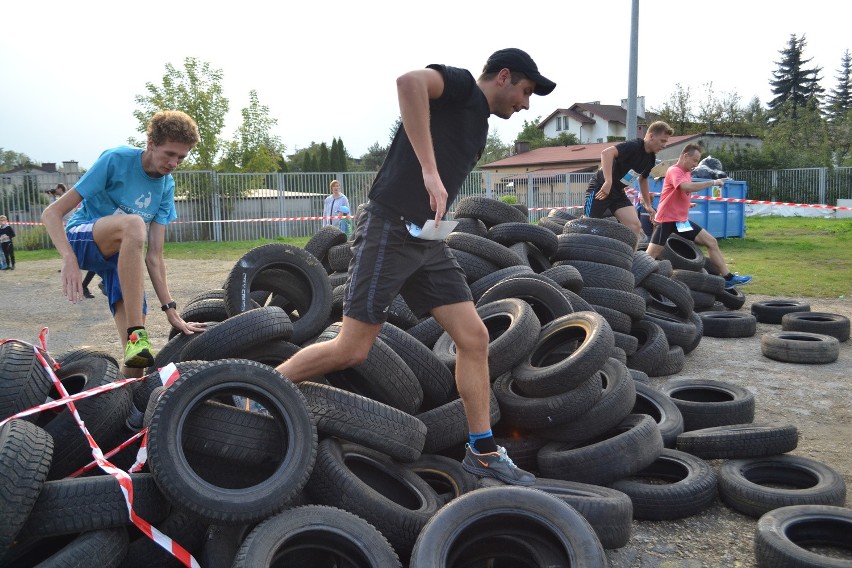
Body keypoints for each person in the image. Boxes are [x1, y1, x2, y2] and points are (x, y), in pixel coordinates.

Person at [275, 48, 555, 486]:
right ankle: (257, 388)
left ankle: (481, 451)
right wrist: (428, 169)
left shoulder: (477, 122)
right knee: (352, 349)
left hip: (427, 240)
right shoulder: (461, 86)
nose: (526, 103)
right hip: (390, 228)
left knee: (474, 336)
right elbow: (409, 82)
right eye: (525, 91)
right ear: (503, 76)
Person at [41, 110, 206, 376]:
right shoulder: (116, 160)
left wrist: (171, 311)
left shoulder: (166, 186)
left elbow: (154, 256)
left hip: (120, 258)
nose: (174, 163)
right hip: (83, 239)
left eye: (181, 157)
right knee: (134, 223)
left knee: (137, 360)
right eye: (169, 154)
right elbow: (51, 214)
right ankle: (136, 330)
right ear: (151, 144)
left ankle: (124, 401)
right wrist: (69, 259)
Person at [645, 143, 752, 288]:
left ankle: (728, 278)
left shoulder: (687, 173)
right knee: (650, 256)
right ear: (685, 156)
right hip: (667, 220)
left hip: (680, 221)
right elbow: (685, 187)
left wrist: (686, 204)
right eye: (694, 160)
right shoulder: (674, 170)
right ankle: (633, 275)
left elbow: (677, 194)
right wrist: (713, 182)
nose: (695, 164)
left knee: (711, 242)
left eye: (697, 161)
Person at [584, 120, 674, 237]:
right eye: (662, 141)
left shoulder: (651, 159)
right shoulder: (634, 146)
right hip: (601, 188)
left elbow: (643, 180)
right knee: (587, 224)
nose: (664, 145)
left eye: (666, 142)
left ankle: (630, 255)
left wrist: (648, 206)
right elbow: (606, 153)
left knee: (635, 225)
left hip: (618, 193)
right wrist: (608, 181)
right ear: (651, 136)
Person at [49, 183, 97, 297]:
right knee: (87, 259)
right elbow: (52, 212)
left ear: (60, 189)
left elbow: (54, 209)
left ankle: (86, 285)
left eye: (57, 189)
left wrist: (52, 197)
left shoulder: (69, 198)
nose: (56, 191)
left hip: (75, 229)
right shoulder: (71, 199)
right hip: (74, 229)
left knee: (94, 259)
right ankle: (84, 284)